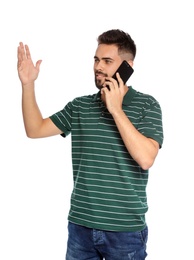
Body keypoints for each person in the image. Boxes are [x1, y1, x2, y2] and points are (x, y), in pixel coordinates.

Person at [17, 29, 164, 260]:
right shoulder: (80, 106)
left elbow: (146, 158)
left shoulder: (147, 105)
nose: (98, 67)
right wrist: (28, 85)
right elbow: (35, 130)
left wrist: (115, 109)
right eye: (96, 60)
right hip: (80, 228)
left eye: (107, 61)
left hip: (125, 232)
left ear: (128, 67)